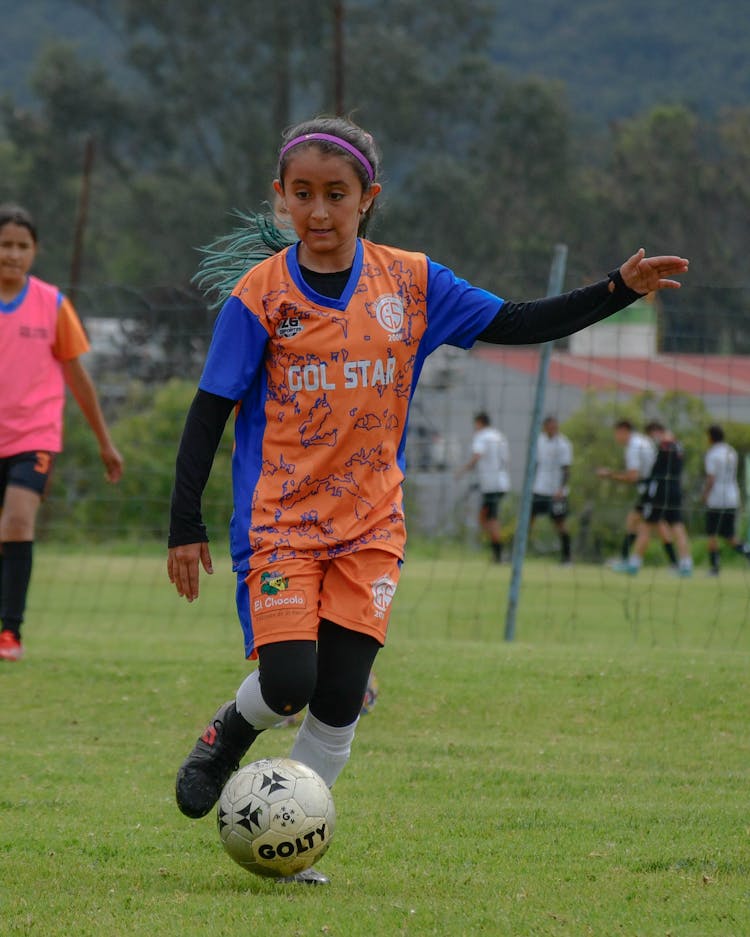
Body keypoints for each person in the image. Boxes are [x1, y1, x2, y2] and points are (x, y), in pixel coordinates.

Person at [166, 115, 689, 883]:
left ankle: (291, 840)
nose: (318, 211)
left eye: (335, 195)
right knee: (289, 685)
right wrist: (186, 522)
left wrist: (617, 290)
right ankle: (227, 732)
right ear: (280, 198)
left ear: (367, 198)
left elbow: (514, 320)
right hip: (281, 523)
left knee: (340, 698)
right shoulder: (260, 295)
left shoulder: (411, 281)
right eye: (302, 194)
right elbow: (208, 409)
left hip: (371, 523)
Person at [0, 204, 124, 661]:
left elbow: (78, 378)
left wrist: (104, 442)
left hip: (33, 435)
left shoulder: (51, 304)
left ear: (34, 251)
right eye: (4, 244)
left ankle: (10, 632)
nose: (12, 254)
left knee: (16, 519)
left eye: (21, 245)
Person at [596, 418, 679, 569]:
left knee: (646, 525)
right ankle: (674, 563)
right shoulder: (642, 441)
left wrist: (609, 474)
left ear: (623, 431)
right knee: (649, 522)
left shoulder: (634, 446)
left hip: (651, 488)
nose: (616, 437)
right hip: (655, 487)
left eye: (616, 433)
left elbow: (633, 476)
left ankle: (632, 562)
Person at [615, 421, 692, 577]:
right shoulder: (678, 446)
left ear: (657, 432)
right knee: (677, 526)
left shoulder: (664, 446)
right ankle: (685, 565)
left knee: (646, 526)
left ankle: (634, 564)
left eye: (652, 435)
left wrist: (643, 482)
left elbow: (655, 473)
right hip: (675, 489)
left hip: (659, 492)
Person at [455, 412, 510, 562]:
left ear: (479, 423)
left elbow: (477, 456)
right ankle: (498, 551)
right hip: (501, 482)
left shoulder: (482, 436)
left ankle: (500, 552)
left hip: (491, 485)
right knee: (486, 518)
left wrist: (462, 470)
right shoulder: (499, 436)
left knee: (489, 519)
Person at [702, 424, 750, 575]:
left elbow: (711, 478)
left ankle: (714, 567)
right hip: (732, 496)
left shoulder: (712, 453)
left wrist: (705, 494)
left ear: (710, 437)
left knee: (712, 534)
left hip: (716, 498)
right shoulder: (731, 451)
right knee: (730, 536)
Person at [529, 416, 573, 564]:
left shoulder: (564, 444)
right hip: (539, 488)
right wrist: (531, 484)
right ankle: (519, 551)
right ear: (545, 427)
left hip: (556, 492)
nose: (553, 429)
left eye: (555, 426)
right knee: (528, 519)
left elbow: (566, 469)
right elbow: (535, 463)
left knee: (560, 523)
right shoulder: (539, 441)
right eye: (550, 426)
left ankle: (567, 557)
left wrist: (561, 489)